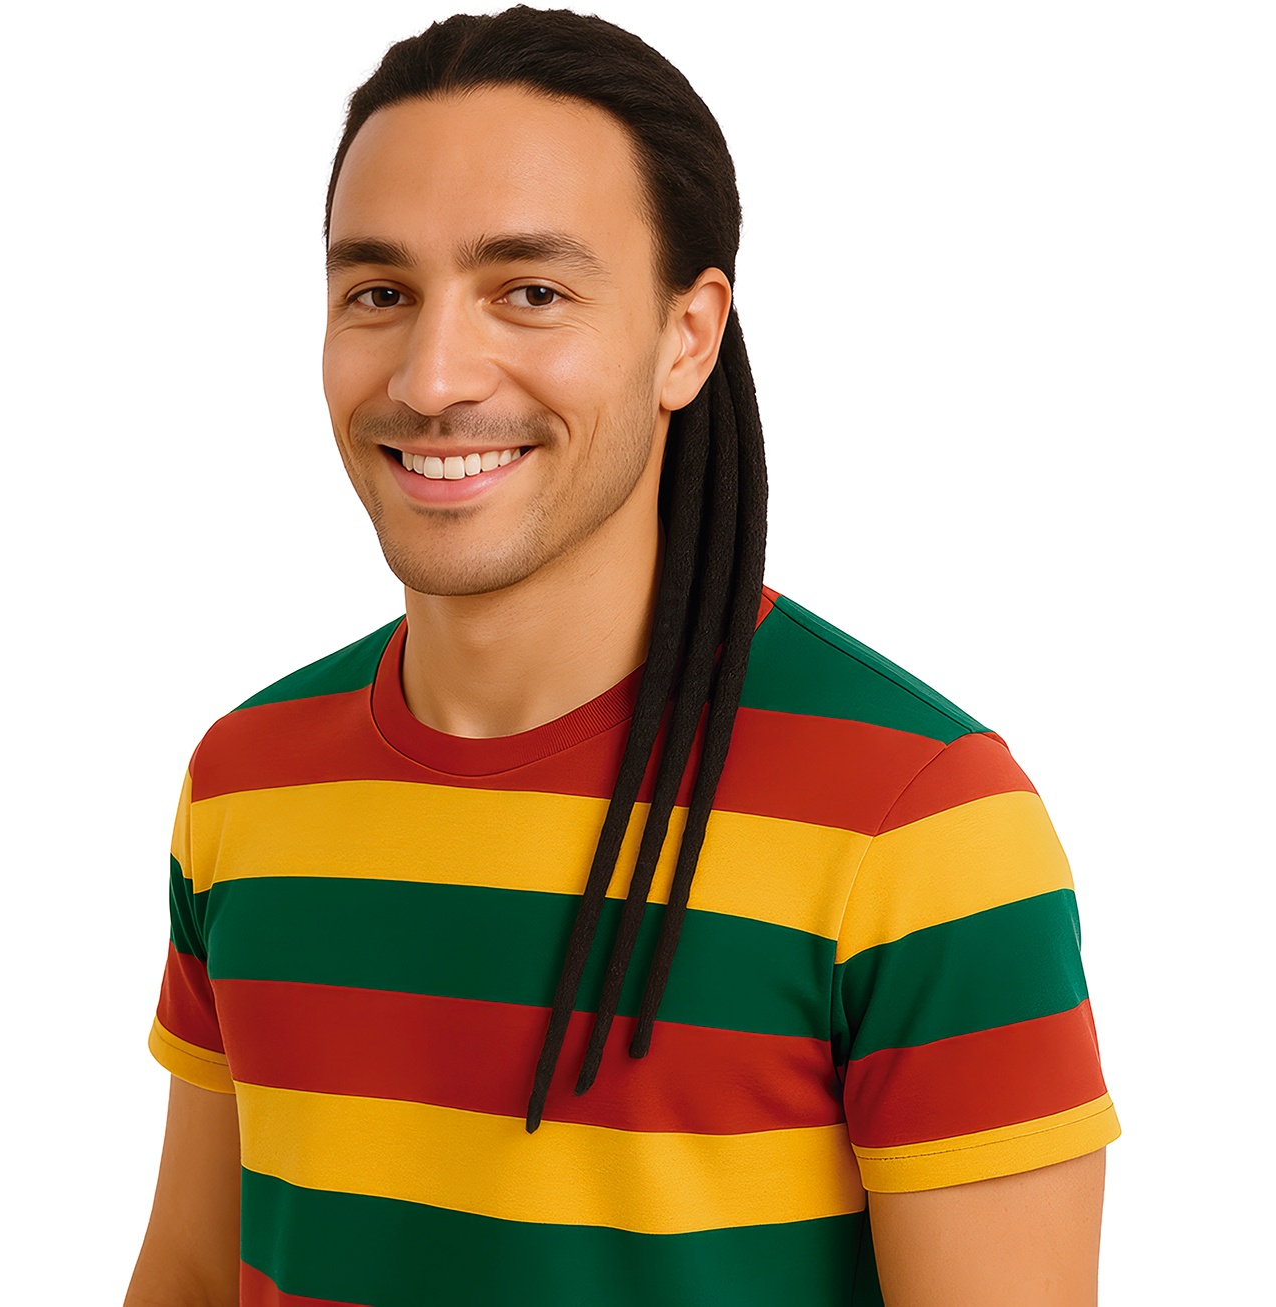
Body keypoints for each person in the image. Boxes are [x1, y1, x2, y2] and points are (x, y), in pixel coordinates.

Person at [126, 8, 1119, 1305]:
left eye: (530, 292)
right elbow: (192, 1275)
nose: (432, 377)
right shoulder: (246, 779)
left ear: (686, 336)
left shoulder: (922, 825)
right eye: (380, 292)